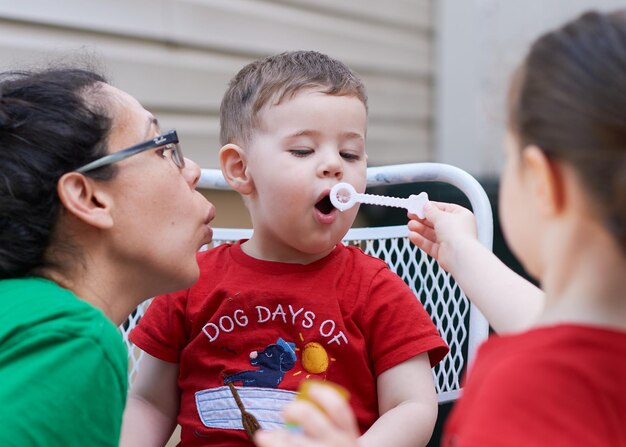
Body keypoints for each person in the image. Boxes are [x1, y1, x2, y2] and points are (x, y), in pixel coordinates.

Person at [253, 9, 626, 447]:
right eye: (302, 150)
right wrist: (463, 253)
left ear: (542, 182)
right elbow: (555, 327)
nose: (333, 165)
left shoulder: (524, 390)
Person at [122, 50, 449, 447]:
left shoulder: (376, 289)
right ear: (241, 170)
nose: (333, 166)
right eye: (302, 150)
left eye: (349, 153)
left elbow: (412, 405)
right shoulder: (191, 279)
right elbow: (149, 403)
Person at [0, 66, 215, 446]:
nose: (193, 171)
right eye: (163, 149)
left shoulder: (23, 312)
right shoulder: (71, 340)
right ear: (89, 198)